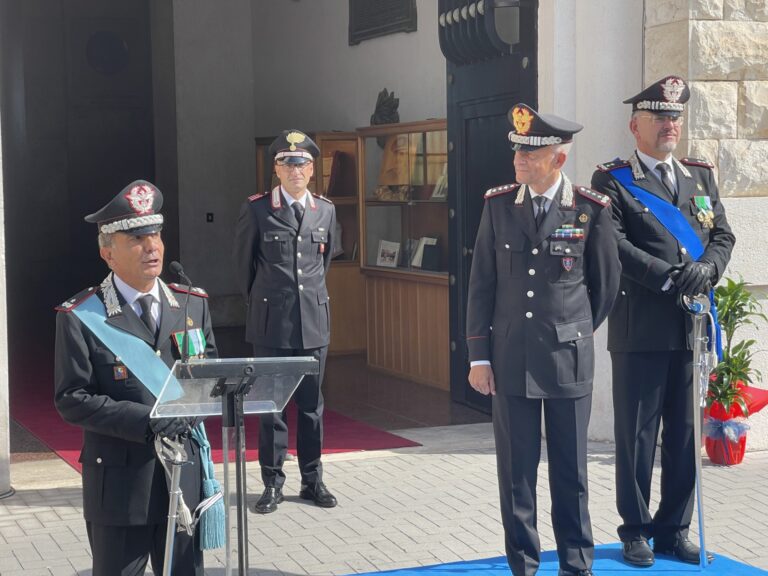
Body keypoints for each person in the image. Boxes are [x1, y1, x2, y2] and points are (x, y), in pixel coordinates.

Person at [466, 104, 621, 576]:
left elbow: (606, 284)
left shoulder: (589, 209)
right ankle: (524, 566)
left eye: (530, 153)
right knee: (516, 475)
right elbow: (481, 285)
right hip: (510, 357)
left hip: (567, 361)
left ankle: (576, 565)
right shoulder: (497, 206)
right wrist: (478, 356)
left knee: (571, 474)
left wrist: (572, 331)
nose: (519, 159)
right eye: (517, 150)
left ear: (558, 158)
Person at [591, 75, 735, 567]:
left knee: (685, 434)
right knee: (636, 434)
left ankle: (675, 528)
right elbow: (614, 246)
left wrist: (707, 269)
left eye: (675, 117)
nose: (670, 124)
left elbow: (723, 236)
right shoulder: (613, 179)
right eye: (660, 117)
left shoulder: (699, 176)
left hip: (690, 331)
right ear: (636, 126)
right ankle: (635, 530)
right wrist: (674, 278)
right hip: (642, 328)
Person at [54, 180, 217, 575]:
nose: (153, 247)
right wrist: (148, 421)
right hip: (121, 485)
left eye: (156, 234)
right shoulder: (81, 316)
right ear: (107, 252)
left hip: (182, 475)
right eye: (137, 238)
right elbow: (72, 398)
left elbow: (209, 372)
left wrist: (187, 411)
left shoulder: (190, 304)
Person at [234, 129, 338, 514]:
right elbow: (244, 269)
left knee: (312, 407)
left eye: (302, 163)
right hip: (271, 322)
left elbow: (322, 265)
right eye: (287, 163)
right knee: (271, 407)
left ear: (312, 170)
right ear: (275, 168)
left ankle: (313, 481)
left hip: (313, 321)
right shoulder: (259, 209)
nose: (295, 170)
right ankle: (272, 483)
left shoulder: (324, 209)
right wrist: (263, 306)